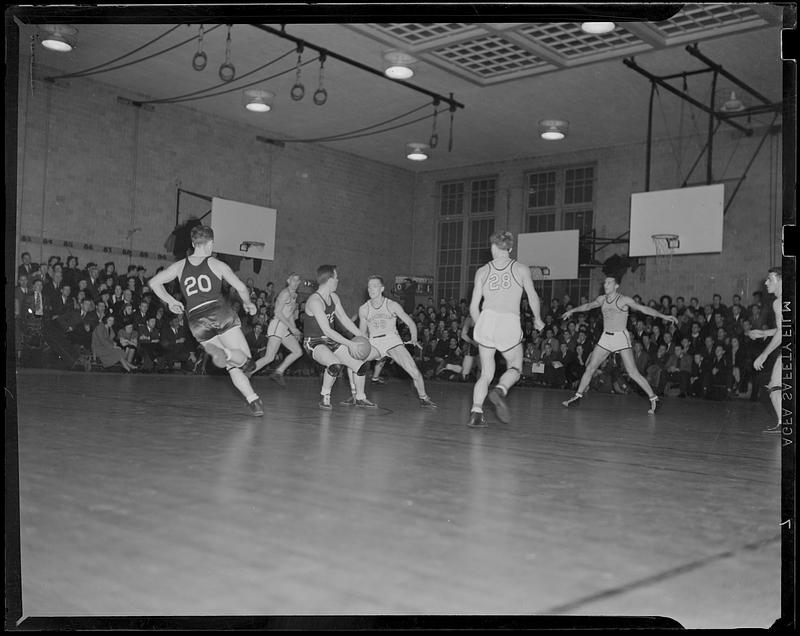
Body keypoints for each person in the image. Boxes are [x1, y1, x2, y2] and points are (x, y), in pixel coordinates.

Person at [148, 225, 264, 416]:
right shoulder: (216, 264)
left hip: (196, 320)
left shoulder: (179, 266)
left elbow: (154, 283)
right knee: (246, 362)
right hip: (219, 312)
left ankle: (253, 400)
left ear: (194, 244)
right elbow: (241, 287)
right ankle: (226, 352)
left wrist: (170, 301)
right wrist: (249, 303)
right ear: (210, 243)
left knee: (232, 368)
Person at [561, 274, 678, 414]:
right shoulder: (601, 299)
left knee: (632, 372)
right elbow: (588, 306)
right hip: (606, 337)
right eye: (605, 283)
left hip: (620, 337)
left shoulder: (623, 300)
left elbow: (643, 309)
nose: (606, 285)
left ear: (616, 286)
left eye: (609, 283)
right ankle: (577, 397)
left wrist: (663, 316)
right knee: (590, 367)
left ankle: (654, 399)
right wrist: (572, 310)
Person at [466, 231, 544, 427]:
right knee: (516, 366)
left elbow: (473, 307)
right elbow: (532, 296)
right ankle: (500, 390)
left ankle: (476, 412)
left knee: (485, 373)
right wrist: (538, 318)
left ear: (493, 247)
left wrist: (481, 326)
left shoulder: (482, 271)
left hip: (486, 319)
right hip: (508, 320)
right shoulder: (520, 269)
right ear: (509, 249)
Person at [351, 275, 437, 407]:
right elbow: (363, 333)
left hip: (392, 340)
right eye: (369, 286)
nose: (371, 289)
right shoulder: (364, 308)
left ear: (382, 288)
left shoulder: (392, 305)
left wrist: (414, 337)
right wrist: (357, 345)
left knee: (413, 370)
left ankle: (423, 397)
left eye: (374, 286)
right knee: (354, 360)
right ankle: (357, 396)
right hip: (374, 342)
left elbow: (410, 322)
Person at [303, 264, 376, 410]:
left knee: (361, 365)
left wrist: (361, 335)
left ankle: (360, 398)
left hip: (329, 340)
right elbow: (328, 331)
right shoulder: (315, 301)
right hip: (314, 342)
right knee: (335, 364)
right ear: (329, 280)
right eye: (336, 277)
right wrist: (350, 343)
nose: (338, 280)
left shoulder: (334, 297)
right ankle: (325, 396)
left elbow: (344, 319)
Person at [745, 267, 783, 432]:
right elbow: (785, 329)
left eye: (770, 279)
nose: (766, 282)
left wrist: (764, 355)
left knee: (775, 388)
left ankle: (784, 424)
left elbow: (783, 332)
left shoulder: (780, 302)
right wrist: (763, 333)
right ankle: (783, 424)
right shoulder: (781, 301)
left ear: (781, 280)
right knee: (775, 388)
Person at [249, 273, 304, 386]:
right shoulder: (284, 294)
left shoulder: (294, 295)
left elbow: (290, 315)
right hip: (277, 325)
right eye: (294, 280)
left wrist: (294, 330)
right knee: (269, 357)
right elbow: (277, 313)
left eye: (298, 281)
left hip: (284, 328)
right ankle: (247, 372)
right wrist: (292, 328)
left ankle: (278, 372)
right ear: (288, 280)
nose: (296, 282)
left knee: (298, 351)